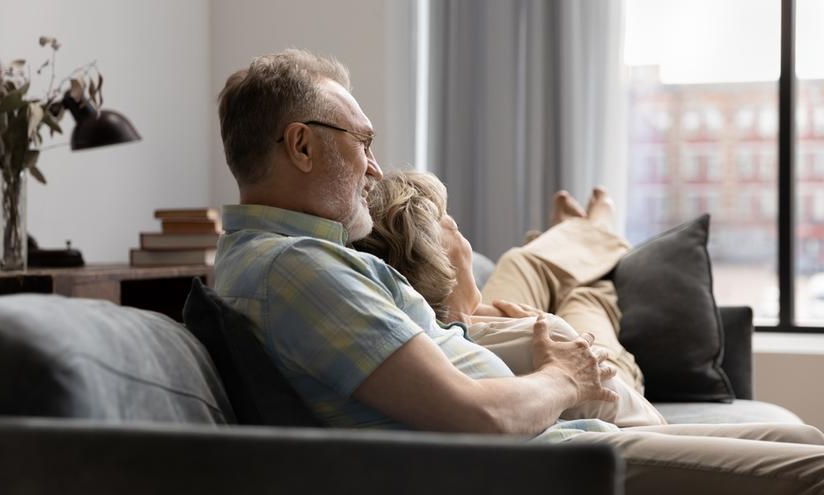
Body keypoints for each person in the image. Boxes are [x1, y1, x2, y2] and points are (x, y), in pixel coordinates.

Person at [214, 48, 824, 494]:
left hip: (558, 442)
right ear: (301, 146)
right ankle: (590, 231)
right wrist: (565, 378)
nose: (373, 168)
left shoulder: (300, 261)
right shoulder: (295, 269)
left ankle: (587, 232)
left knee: (804, 442)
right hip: (539, 465)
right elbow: (478, 417)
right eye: (363, 142)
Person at [352, 170, 666, 427]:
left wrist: (476, 314)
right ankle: (592, 232)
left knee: (522, 262)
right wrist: (534, 324)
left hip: (468, 314)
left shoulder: (405, 317)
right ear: (442, 256)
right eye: (451, 222)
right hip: (588, 368)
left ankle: (583, 234)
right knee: (587, 295)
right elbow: (652, 425)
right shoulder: (538, 336)